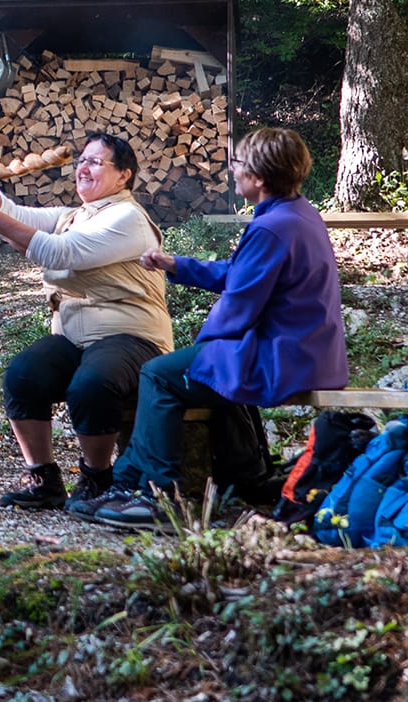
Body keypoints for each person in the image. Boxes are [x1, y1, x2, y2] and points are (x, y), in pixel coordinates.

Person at [85, 126, 348, 530]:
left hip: (284, 356)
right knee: (189, 369)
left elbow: (240, 303)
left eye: (238, 163)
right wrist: (177, 265)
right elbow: (240, 274)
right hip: (307, 351)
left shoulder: (272, 227)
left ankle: (158, 498)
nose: (232, 170)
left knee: (160, 374)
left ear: (259, 177)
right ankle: (142, 482)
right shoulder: (297, 214)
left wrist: (202, 350)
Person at [0, 132, 172, 513]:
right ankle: (44, 480)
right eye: (81, 161)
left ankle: (97, 477)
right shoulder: (73, 216)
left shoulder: (128, 218)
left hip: (132, 337)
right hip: (74, 338)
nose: (83, 168)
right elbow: (16, 214)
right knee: (22, 375)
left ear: (124, 176)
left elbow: (60, 251)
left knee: (92, 382)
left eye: (95, 162)